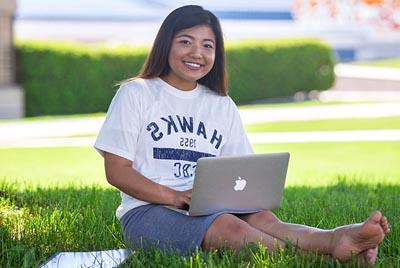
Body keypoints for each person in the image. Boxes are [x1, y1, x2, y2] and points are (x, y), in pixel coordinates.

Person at [94, 5, 390, 264]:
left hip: (207, 207)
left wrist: (234, 199)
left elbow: (240, 173)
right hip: (148, 213)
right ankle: (320, 261)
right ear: (165, 45)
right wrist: (175, 197)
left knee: (263, 219)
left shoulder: (221, 105)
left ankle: (336, 239)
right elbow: (117, 171)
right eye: (186, 41)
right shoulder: (136, 93)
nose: (197, 53)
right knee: (228, 227)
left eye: (208, 45)